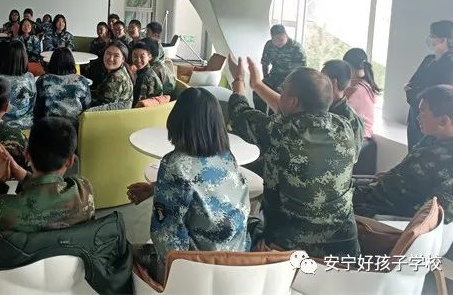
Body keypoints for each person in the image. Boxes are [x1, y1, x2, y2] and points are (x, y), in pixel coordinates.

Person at [227, 56, 359, 257]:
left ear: (294, 101)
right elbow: (291, 113)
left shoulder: (280, 131)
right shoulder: (346, 127)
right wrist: (258, 84)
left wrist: (239, 81)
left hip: (289, 247)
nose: (280, 97)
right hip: (344, 246)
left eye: (283, 93)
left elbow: (240, 113)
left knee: (234, 219)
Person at [127, 88, 250, 283]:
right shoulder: (227, 157)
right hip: (236, 261)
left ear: (177, 120)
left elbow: (166, 234)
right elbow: (203, 189)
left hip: (199, 272)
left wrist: (176, 281)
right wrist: (156, 188)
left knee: (123, 253)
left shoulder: (175, 164)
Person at [0, 117, 95, 268]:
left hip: (10, 278)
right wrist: (20, 173)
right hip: (66, 277)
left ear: (27, 155)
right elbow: (48, 190)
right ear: (70, 161)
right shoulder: (84, 190)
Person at [353, 85, 453, 224]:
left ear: (443, 121)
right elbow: (414, 171)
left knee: (330, 199)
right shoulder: (432, 138)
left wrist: (382, 221)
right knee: (336, 185)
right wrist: (393, 176)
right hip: (378, 191)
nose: (418, 117)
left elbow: (435, 216)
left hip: (381, 209)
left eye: (423, 112)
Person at [405, 20, 453, 150]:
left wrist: (415, 92)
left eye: (433, 36)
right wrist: (415, 92)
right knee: (412, 153)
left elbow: (438, 98)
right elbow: (412, 84)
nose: (429, 39)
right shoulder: (429, 59)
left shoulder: (452, 68)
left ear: (443, 39)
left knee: (423, 155)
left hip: (431, 122)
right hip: (415, 116)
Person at [255, 24, 306, 113]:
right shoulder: (269, 45)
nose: (278, 43)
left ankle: (274, 117)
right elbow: (265, 62)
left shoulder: (296, 48)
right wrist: (266, 77)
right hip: (274, 75)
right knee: (258, 90)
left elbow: (302, 71)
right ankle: (260, 115)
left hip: (289, 78)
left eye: (281, 40)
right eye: (275, 40)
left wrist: (294, 85)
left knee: (278, 95)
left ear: (286, 35)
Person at [34, 47, 92, 123]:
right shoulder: (81, 80)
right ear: (71, 62)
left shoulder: (43, 80)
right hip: (74, 125)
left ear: (52, 62)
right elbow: (87, 106)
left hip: (49, 125)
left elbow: (37, 107)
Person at [0, 41, 36, 129]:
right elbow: (33, 103)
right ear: (24, 57)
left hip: (1, 127)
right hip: (27, 125)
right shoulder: (30, 77)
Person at [343, 48, 381, 140]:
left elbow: (343, 112)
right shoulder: (365, 85)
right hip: (361, 132)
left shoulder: (359, 90)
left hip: (358, 134)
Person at [90, 41, 133, 108]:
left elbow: (105, 107)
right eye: (108, 54)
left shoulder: (116, 78)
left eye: (116, 56)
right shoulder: (122, 69)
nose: (111, 58)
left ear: (123, 59)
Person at [130, 41, 163, 106]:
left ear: (149, 57)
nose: (138, 60)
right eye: (135, 56)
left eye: (142, 57)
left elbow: (138, 103)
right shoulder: (141, 72)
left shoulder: (146, 77)